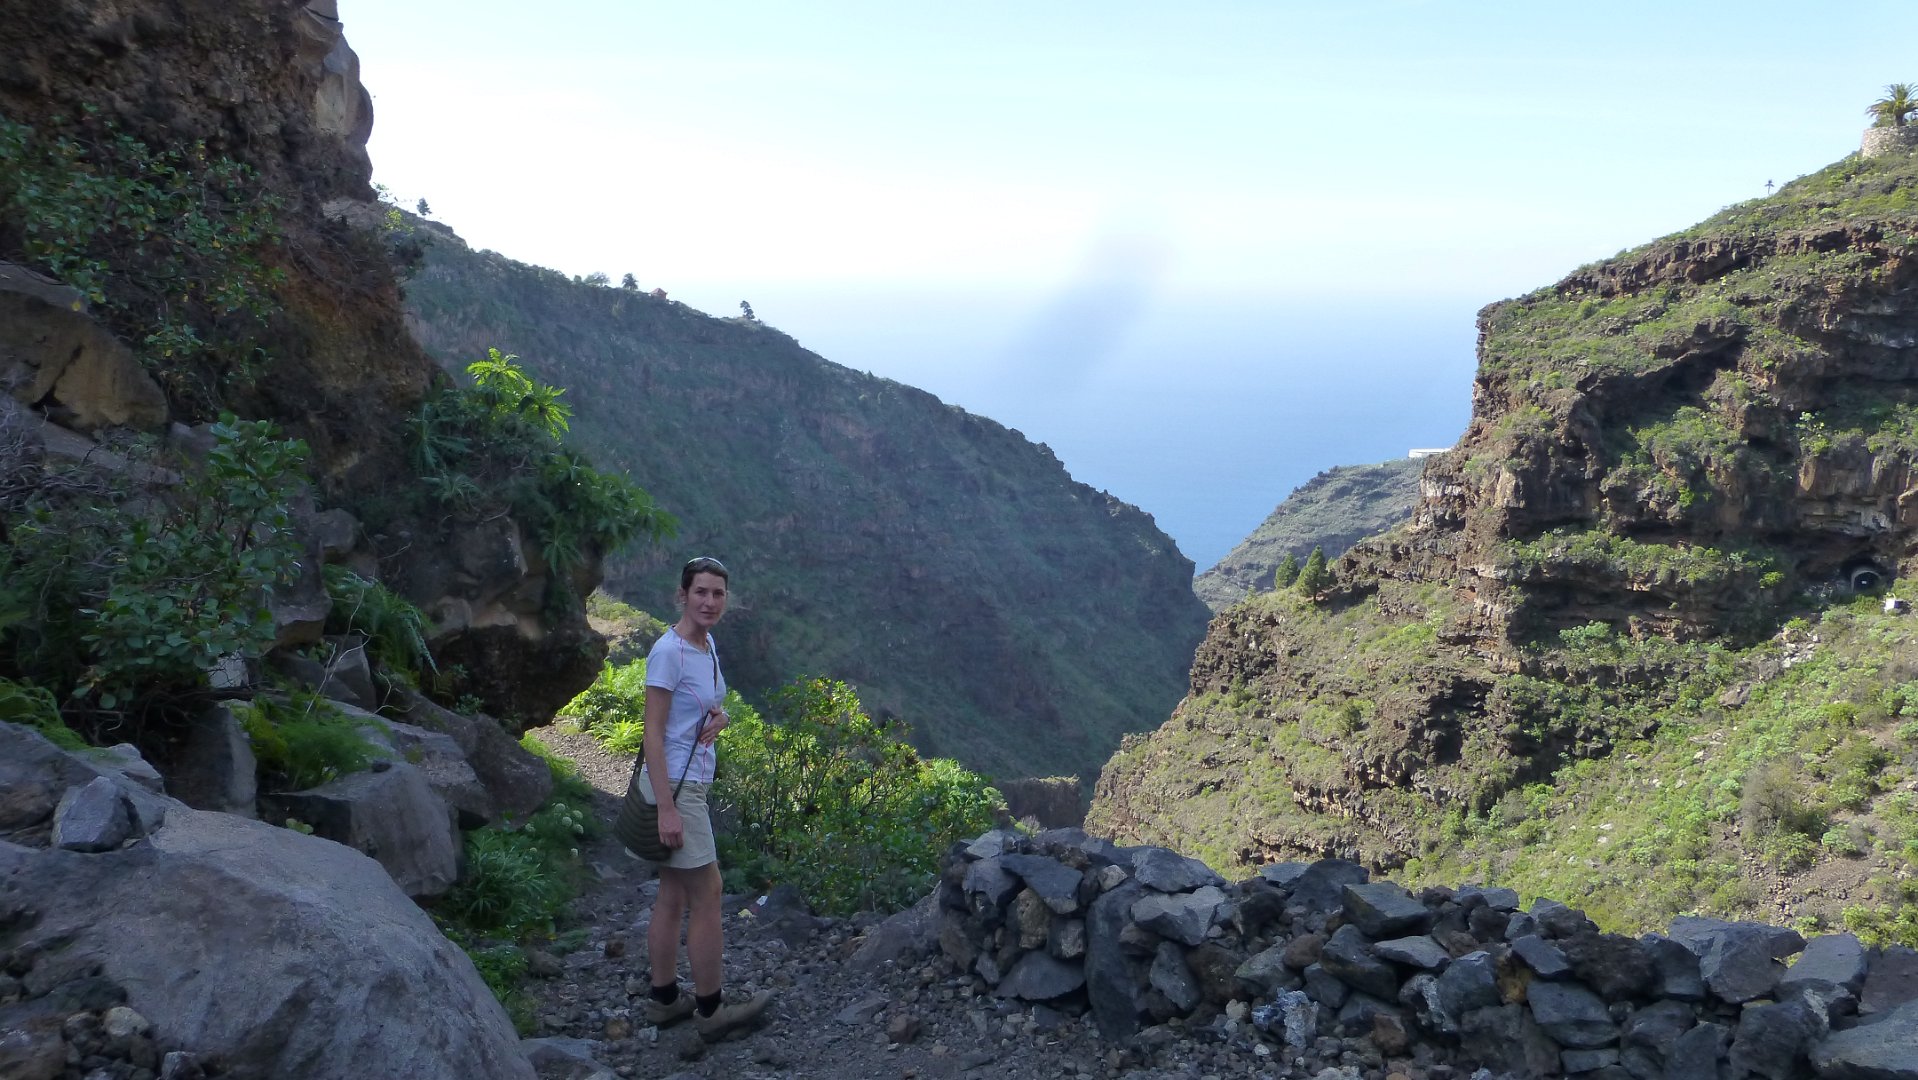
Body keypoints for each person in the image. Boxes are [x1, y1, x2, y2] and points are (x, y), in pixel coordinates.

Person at [631, 556, 772, 1039]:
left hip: (690, 782)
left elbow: (708, 703)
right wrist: (667, 809)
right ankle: (711, 1013)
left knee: (673, 893)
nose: (709, 601)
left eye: (717, 593)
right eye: (701, 592)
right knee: (708, 893)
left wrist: (721, 717)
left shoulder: (706, 645)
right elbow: (652, 734)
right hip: (676, 786)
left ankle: (665, 1000)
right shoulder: (668, 652)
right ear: (682, 595)